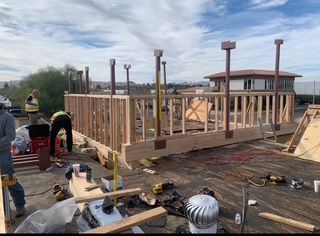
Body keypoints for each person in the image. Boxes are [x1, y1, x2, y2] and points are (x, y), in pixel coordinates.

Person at [0, 97, 26, 217]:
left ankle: (20, 205)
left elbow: (10, 136)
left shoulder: (7, 117)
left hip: (3, 153)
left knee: (9, 179)